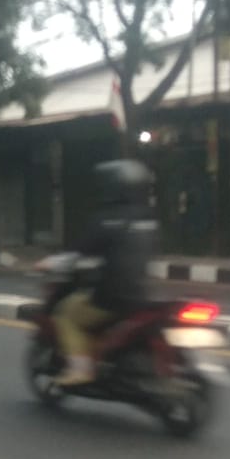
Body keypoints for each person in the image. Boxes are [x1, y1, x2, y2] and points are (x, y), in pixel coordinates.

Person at [52, 159, 160, 384]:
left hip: (109, 297)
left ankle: (80, 370)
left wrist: (50, 263)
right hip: (140, 297)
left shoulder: (106, 219)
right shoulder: (148, 217)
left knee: (65, 316)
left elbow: (80, 252)